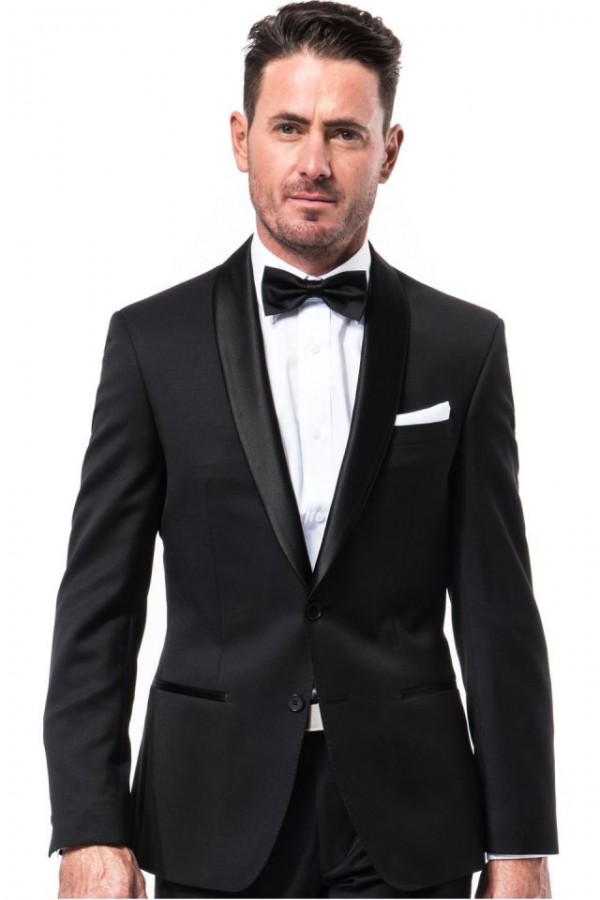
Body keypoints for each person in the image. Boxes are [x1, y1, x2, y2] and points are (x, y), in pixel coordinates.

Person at [43, 2, 559, 898]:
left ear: (388, 152)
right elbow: (99, 607)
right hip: (209, 813)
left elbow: (498, 615)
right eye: (289, 127)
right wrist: (88, 828)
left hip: (412, 820)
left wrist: (522, 844)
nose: (314, 162)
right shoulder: (151, 345)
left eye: (344, 133)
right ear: (241, 139)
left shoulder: (464, 347)